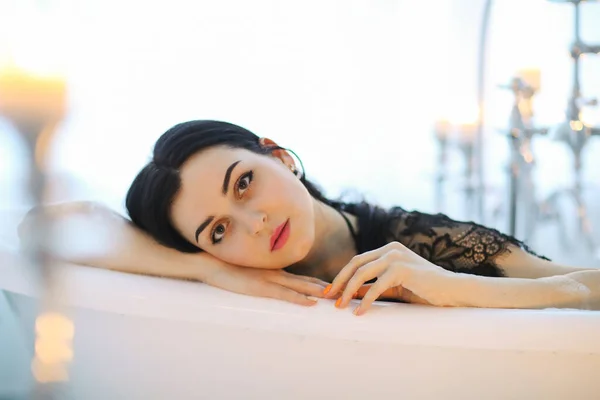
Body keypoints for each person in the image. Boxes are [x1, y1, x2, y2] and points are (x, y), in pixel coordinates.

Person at [20, 120, 600, 314]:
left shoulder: (423, 238)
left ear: (277, 155)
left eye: (244, 184)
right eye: (218, 230)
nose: (252, 225)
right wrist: (206, 270)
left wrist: (450, 286)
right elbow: (40, 227)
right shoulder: (229, 272)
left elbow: (587, 290)